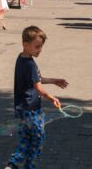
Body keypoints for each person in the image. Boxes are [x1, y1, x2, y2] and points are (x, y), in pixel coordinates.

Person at [5, 26, 68, 169]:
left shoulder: (21, 58)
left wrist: (53, 80)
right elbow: (38, 88)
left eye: (41, 46)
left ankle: (12, 165)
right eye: (37, 46)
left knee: (25, 140)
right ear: (25, 44)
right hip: (32, 110)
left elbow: (36, 80)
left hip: (21, 109)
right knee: (38, 140)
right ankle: (29, 166)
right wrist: (51, 98)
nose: (40, 50)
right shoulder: (30, 64)